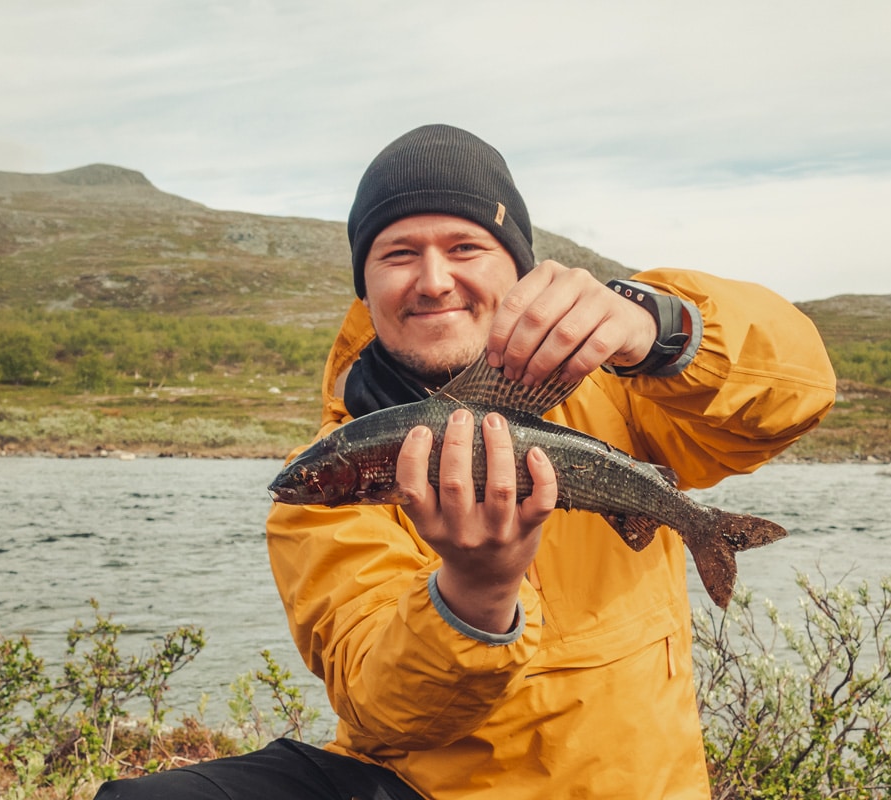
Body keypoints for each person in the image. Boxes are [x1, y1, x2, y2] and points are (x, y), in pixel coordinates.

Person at [96, 124, 836, 799]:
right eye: (396, 253)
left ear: (517, 269)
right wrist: (475, 596)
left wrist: (663, 328)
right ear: (366, 284)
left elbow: (796, 394)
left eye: (464, 247)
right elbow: (380, 705)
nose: (433, 280)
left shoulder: (623, 391)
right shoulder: (319, 480)